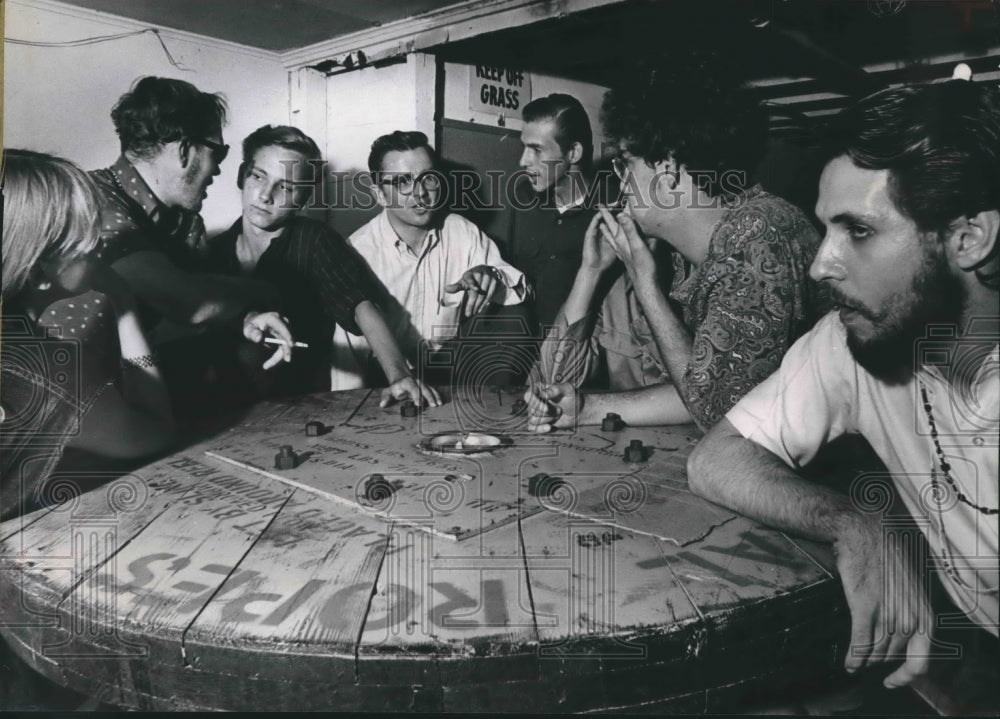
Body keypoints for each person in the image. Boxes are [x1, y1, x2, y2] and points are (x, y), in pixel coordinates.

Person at [688, 80, 999, 694]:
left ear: (968, 239)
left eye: (857, 231)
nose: (819, 264)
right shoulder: (855, 339)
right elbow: (716, 458)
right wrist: (857, 524)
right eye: (824, 228)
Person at [526, 57, 825, 432]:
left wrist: (646, 285)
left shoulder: (760, 238)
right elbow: (703, 386)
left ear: (667, 173)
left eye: (626, 165)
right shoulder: (683, 254)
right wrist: (584, 406)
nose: (620, 183)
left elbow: (720, 414)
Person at [70, 76, 294, 413]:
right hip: (79, 403)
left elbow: (195, 315)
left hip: (151, 397)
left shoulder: (186, 222)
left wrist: (243, 319)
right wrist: (264, 292)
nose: (219, 168)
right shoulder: (91, 198)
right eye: (218, 152)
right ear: (186, 150)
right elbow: (185, 302)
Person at [205, 125, 439, 407]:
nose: (266, 195)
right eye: (258, 177)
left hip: (298, 410)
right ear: (243, 176)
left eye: (286, 187)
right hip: (224, 409)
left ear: (303, 198)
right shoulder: (213, 251)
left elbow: (360, 304)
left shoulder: (314, 240)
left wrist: (398, 375)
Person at [1, 149, 174, 519]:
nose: (101, 245)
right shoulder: (55, 373)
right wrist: (125, 307)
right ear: (37, 267)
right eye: (86, 235)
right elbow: (155, 431)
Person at [331, 131, 528, 387]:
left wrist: (491, 274)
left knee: (514, 317)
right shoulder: (358, 251)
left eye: (428, 178)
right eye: (402, 182)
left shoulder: (462, 232)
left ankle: (489, 414)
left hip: (451, 373)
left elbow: (520, 290)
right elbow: (348, 353)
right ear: (379, 194)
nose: (421, 193)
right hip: (389, 380)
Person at [509, 93, 603, 330]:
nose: (523, 161)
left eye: (536, 150)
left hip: (580, 356)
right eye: (524, 148)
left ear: (573, 153)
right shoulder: (522, 198)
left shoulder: (613, 211)